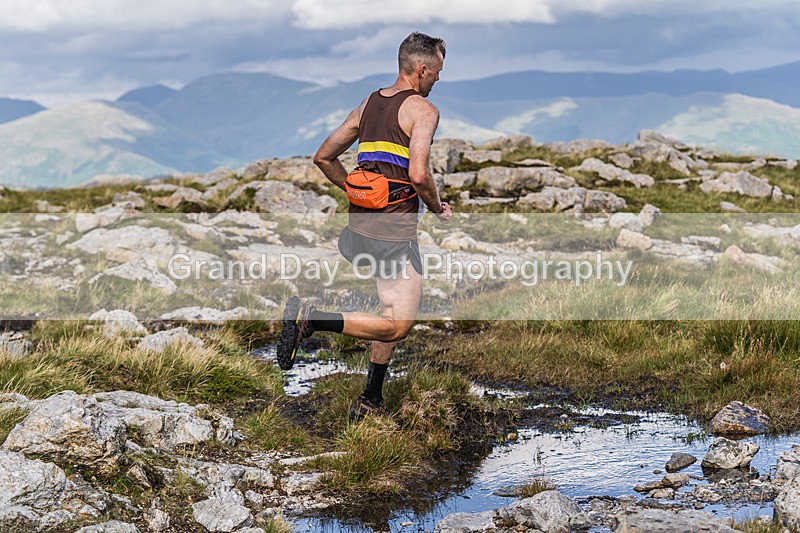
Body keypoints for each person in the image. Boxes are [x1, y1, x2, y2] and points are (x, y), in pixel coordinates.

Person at [276, 31, 452, 421]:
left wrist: (357, 191)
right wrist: (437, 206)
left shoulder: (369, 104)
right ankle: (311, 319)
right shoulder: (423, 110)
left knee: (388, 308)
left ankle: (371, 399)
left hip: (360, 230)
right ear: (422, 69)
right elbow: (419, 174)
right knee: (397, 326)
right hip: (394, 233)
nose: (439, 79)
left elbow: (324, 157)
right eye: (438, 72)